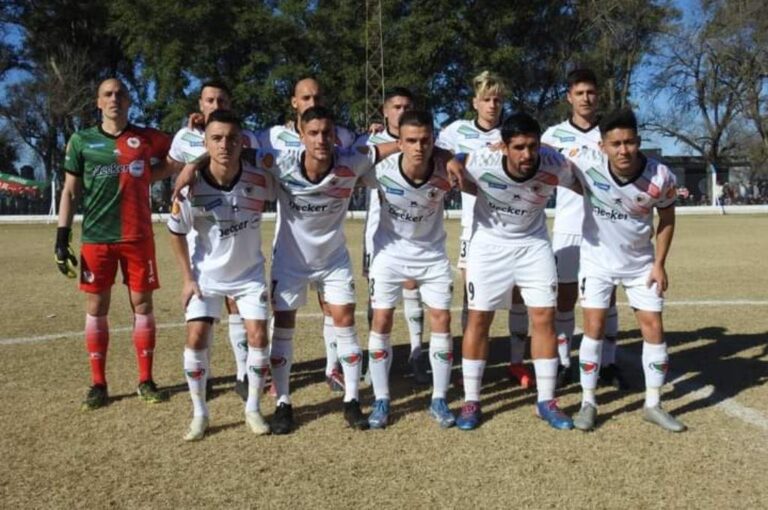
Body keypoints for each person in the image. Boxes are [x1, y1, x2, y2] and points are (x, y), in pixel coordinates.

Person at [249, 106, 398, 433]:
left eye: (326, 133)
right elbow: (232, 152)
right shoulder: (280, 162)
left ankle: (351, 400)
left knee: (346, 323)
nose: (320, 140)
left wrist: (417, 141)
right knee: (284, 326)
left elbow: (392, 146)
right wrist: (191, 168)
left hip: (333, 262)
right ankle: (284, 403)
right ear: (300, 136)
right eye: (313, 133)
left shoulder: (350, 161)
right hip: (290, 263)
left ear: (335, 137)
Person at [447, 112, 577, 431]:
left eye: (532, 146)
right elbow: (459, 161)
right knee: (479, 318)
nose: (527, 155)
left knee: (544, 317)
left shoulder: (555, 163)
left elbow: (587, 187)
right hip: (488, 246)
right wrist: (457, 159)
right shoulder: (481, 161)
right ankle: (471, 401)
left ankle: (546, 401)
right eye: (518, 147)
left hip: (533, 244)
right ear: (504, 147)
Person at [55, 78, 174, 410]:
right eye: (108, 94)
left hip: (138, 237)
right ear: (98, 102)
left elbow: (180, 152)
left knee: (143, 306)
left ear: (129, 101)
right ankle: (98, 384)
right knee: (96, 309)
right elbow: (69, 191)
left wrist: (151, 175)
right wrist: (62, 236)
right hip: (97, 238)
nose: (114, 99)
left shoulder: (147, 138)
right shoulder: (82, 141)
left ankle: (146, 380)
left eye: (121, 94)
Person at [569, 109, 685, 432]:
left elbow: (668, 219)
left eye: (630, 142)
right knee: (593, 325)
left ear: (639, 141)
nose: (623, 150)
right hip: (597, 260)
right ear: (602, 145)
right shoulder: (585, 162)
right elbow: (545, 156)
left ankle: (653, 403)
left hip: (640, 264)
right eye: (616, 143)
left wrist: (659, 264)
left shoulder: (660, 176)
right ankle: (588, 402)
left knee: (653, 326)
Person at [168, 110, 274, 441]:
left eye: (231, 138)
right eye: (216, 138)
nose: (224, 144)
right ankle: (200, 413)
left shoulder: (260, 180)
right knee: (196, 337)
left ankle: (253, 408)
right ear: (205, 143)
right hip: (206, 278)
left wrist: (192, 162)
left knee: (259, 337)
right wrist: (187, 278)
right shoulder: (190, 189)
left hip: (249, 275)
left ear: (242, 142)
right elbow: (175, 232)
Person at [258, 77, 356, 393]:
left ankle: (333, 367)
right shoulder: (272, 136)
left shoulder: (341, 135)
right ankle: (274, 377)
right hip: (291, 243)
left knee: (332, 306)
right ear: (294, 102)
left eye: (317, 96)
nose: (312, 102)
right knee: (284, 312)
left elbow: (364, 153)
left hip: (328, 242)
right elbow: (237, 149)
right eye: (305, 97)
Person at [437, 71, 533, 388]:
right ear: (474, 102)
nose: (493, 105)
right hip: (475, 228)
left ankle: (517, 363)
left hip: (517, 227)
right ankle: (471, 364)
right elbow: (435, 154)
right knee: (474, 301)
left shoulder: (511, 133)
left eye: (498, 99)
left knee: (519, 296)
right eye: (487, 99)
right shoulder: (456, 131)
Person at [166, 80, 259, 401]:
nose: (216, 105)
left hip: (236, 238)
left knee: (237, 307)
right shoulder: (184, 137)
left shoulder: (241, 138)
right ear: (200, 104)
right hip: (200, 242)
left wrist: (195, 162)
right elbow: (171, 167)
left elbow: (232, 156)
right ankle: (202, 377)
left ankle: (242, 372)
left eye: (222, 100)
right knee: (201, 323)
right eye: (209, 100)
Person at [364, 110, 456, 429]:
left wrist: (451, 157)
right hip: (389, 253)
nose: (419, 147)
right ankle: (381, 399)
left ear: (434, 141)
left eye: (425, 140)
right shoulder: (380, 171)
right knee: (382, 319)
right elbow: (345, 163)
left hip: (432, 255)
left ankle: (439, 398)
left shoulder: (447, 170)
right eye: (411, 141)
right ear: (399, 142)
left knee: (442, 319)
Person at [541, 68, 627, 389]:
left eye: (591, 92)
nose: (586, 98)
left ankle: (608, 363)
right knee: (564, 299)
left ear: (598, 95)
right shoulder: (552, 136)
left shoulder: (609, 133)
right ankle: (564, 363)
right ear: (569, 97)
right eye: (580, 93)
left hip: (605, 228)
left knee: (608, 299)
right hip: (567, 228)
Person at [355, 87, 430, 385]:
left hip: (411, 229)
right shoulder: (367, 141)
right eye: (396, 106)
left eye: (407, 106)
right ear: (385, 112)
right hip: (376, 231)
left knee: (412, 287)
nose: (402, 111)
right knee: (377, 297)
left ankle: (416, 353)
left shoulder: (421, 141)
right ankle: (378, 360)